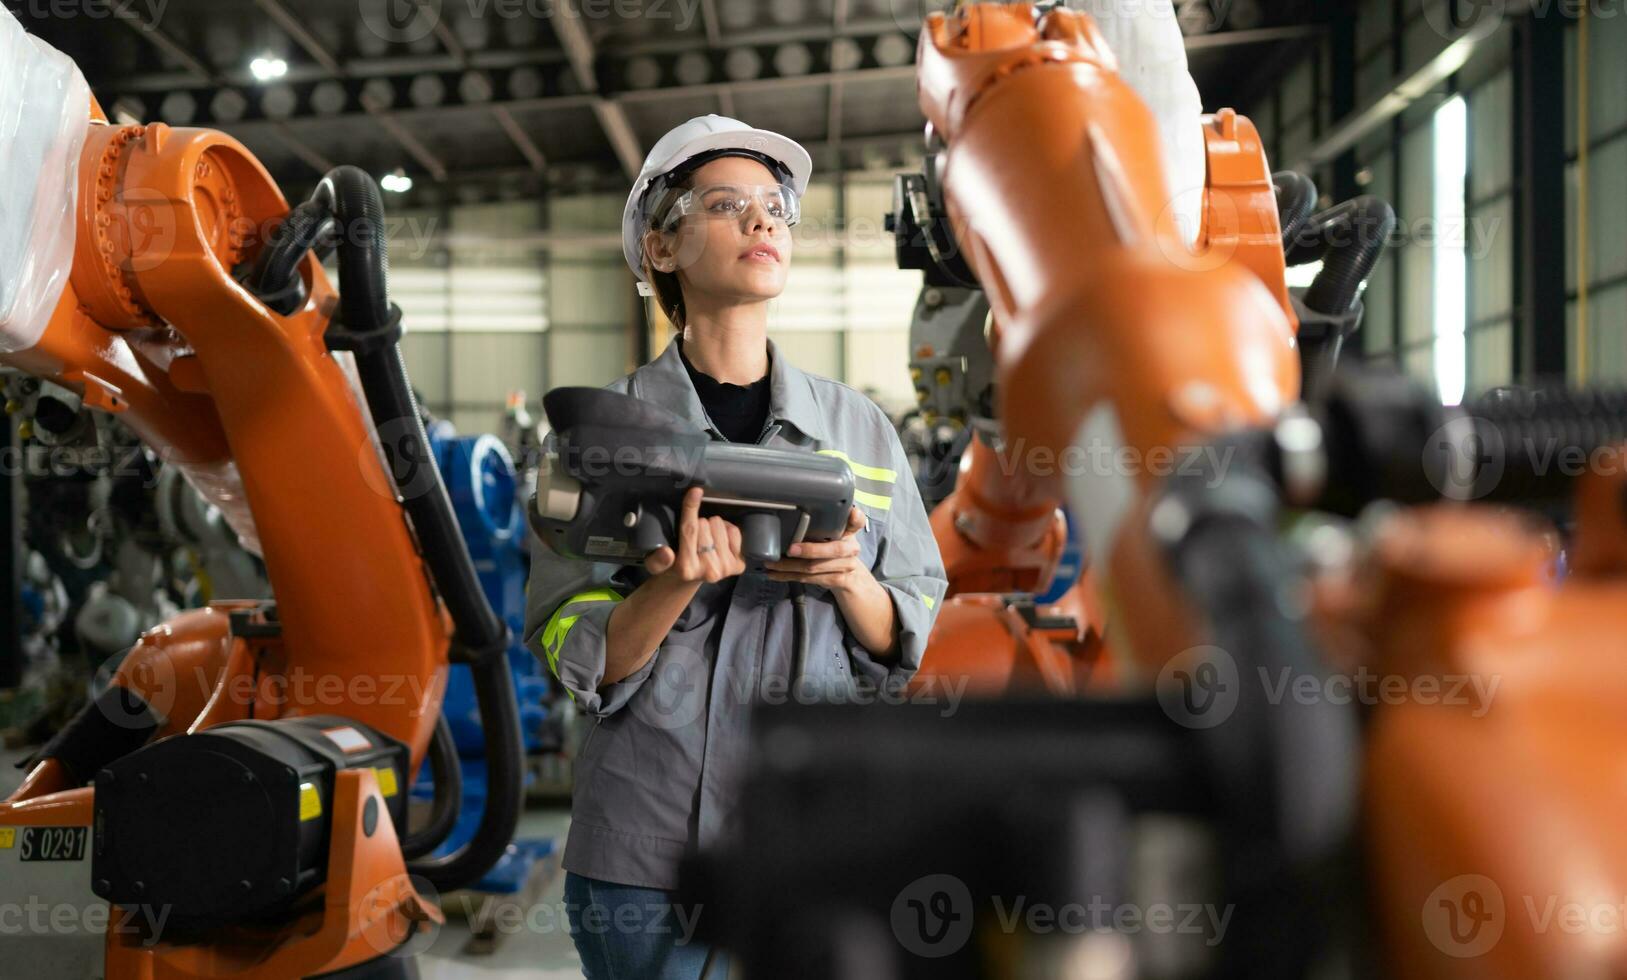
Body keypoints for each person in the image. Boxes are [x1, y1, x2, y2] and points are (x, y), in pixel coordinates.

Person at [524, 115, 948, 979]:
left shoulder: (857, 430)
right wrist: (673, 583)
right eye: (727, 204)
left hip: (812, 836)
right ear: (662, 246)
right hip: (645, 858)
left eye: (776, 206)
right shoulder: (598, 433)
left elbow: (908, 619)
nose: (765, 222)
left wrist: (844, 579)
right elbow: (572, 649)